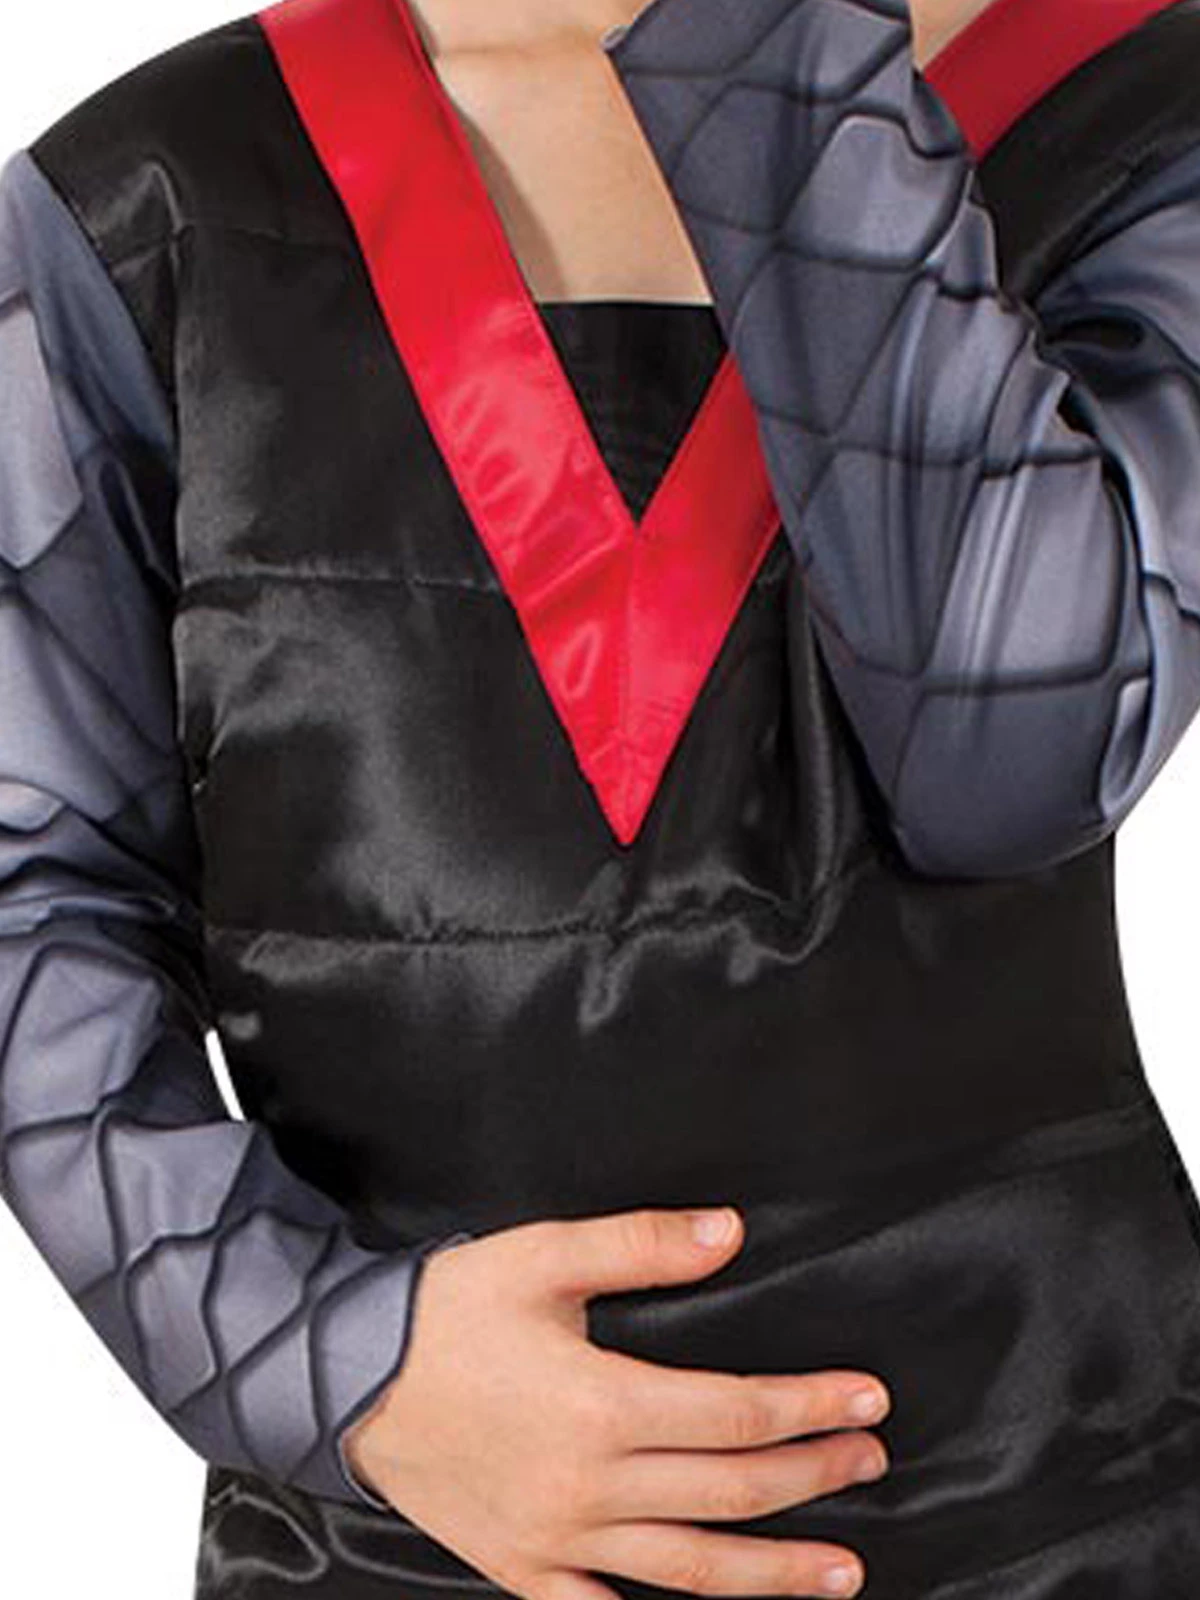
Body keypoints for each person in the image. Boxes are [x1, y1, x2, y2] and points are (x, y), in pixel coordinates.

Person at [4, 0, 1200, 1595]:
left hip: (1051, 1506)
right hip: (407, 1540)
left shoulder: (1131, 106)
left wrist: (770, 56)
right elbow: (37, 903)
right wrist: (338, 1362)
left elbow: (1015, 758)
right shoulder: (149, 194)